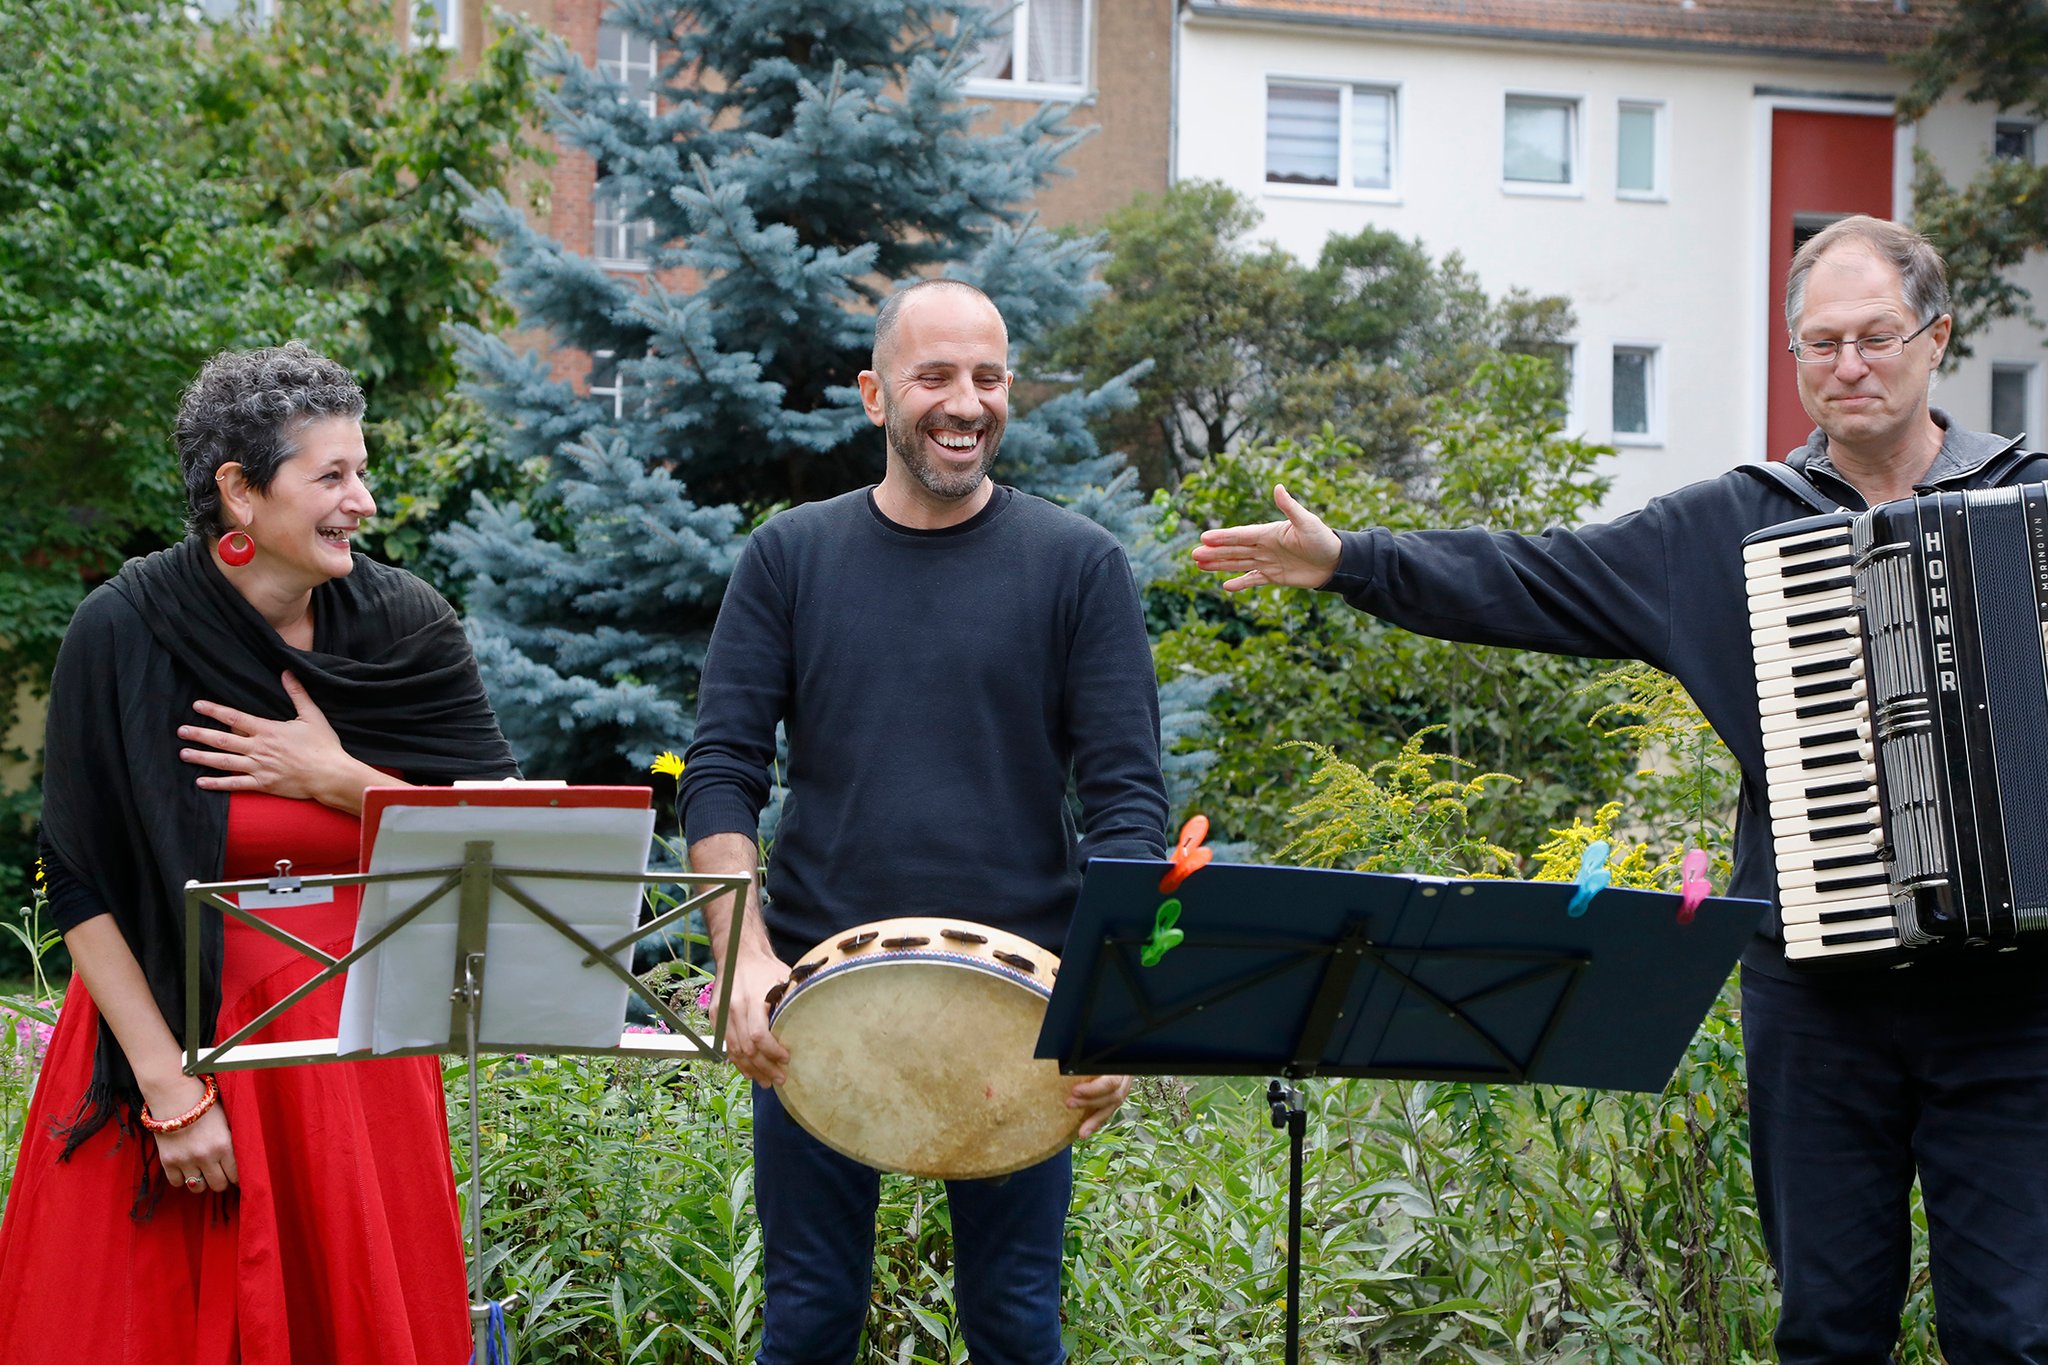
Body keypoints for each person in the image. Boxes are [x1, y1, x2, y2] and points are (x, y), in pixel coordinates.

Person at [1193, 214, 2048, 1363]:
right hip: (1819, 997)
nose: (1847, 366)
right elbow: (1533, 575)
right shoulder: (1730, 525)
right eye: (1819, 343)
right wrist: (1354, 561)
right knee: (1827, 1327)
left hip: (2011, 997)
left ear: (1933, 338)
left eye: (1875, 337)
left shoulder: (2026, 501)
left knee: (2012, 1333)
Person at [0, 342, 521, 1363]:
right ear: (239, 492)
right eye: (330, 476)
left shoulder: (405, 628)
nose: (361, 501)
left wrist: (342, 782)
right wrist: (169, 1093)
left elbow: (501, 839)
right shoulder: (121, 630)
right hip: (160, 1043)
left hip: (351, 1065)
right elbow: (80, 877)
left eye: (360, 471)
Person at [678, 278, 1168, 1364]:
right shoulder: (789, 557)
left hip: (1022, 1006)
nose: (965, 402)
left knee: (1014, 1326)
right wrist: (742, 956)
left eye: (987, 378)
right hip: (817, 1002)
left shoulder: (1077, 565)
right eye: (934, 376)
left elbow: (1129, 801)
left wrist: (1112, 1002)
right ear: (872, 395)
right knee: (807, 1318)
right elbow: (719, 771)